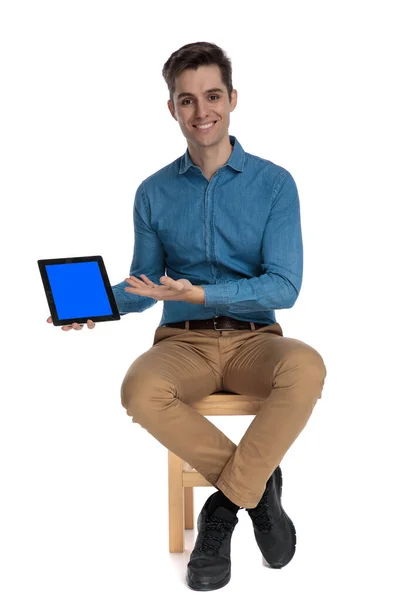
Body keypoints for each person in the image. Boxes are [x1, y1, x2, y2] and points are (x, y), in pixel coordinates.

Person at [48, 41, 327, 592]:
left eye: (213, 96)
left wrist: (202, 294)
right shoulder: (153, 193)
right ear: (172, 108)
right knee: (139, 389)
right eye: (187, 100)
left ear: (233, 99)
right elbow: (145, 285)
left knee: (308, 368)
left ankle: (221, 512)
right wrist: (96, 307)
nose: (202, 112)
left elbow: (285, 286)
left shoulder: (274, 185)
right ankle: (258, 487)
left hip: (256, 340)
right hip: (183, 345)